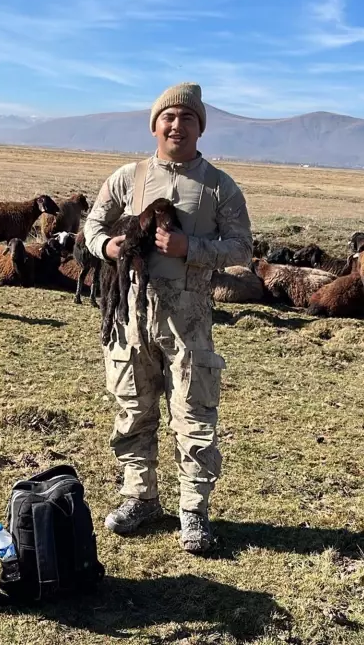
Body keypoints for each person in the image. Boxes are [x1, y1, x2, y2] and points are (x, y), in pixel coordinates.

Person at [82, 82, 252, 553]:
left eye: (188, 119)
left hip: (189, 319)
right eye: (169, 118)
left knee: (193, 414)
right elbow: (93, 225)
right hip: (131, 314)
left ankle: (193, 511)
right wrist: (108, 246)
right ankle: (140, 497)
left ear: (200, 128)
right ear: (155, 125)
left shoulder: (219, 186)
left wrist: (190, 249)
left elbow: (242, 248)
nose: (177, 126)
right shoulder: (127, 178)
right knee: (133, 408)